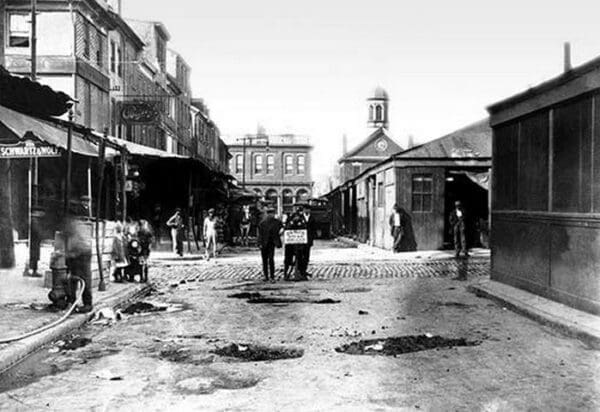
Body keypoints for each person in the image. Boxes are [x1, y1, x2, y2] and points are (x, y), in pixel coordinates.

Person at [64, 218, 93, 313]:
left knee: (84, 279)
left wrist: (71, 254)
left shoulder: (78, 227)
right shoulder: (70, 227)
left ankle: (88, 304)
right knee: (71, 279)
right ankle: (71, 301)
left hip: (82, 256)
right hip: (73, 255)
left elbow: (84, 245)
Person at [257, 207, 282, 282]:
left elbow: (282, 228)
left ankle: (272, 276)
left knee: (271, 259)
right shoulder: (262, 223)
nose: (272, 215)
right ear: (267, 214)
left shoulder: (277, 222)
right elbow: (259, 234)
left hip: (271, 243)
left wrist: (280, 234)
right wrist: (259, 243)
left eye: (273, 213)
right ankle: (266, 276)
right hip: (264, 243)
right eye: (270, 213)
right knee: (264, 260)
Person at [298, 204, 316, 277]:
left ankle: (304, 270)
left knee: (306, 256)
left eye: (308, 209)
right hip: (300, 240)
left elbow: (313, 229)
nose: (307, 211)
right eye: (305, 209)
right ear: (303, 210)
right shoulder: (299, 217)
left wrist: (312, 238)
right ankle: (300, 271)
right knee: (300, 256)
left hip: (308, 240)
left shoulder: (312, 218)